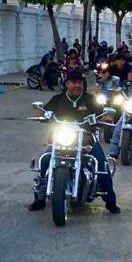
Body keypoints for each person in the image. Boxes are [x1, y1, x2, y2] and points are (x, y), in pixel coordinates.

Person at [28, 70, 120, 213]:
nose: (77, 85)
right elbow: (41, 111)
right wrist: (41, 115)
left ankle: (111, 202)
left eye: (79, 82)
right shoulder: (57, 99)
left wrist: (105, 118)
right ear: (67, 83)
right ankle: (39, 198)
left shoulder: (90, 99)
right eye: (73, 82)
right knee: (45, 161)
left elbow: (105, 114)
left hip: (86, 140)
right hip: (60, 140)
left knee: (101, 165)